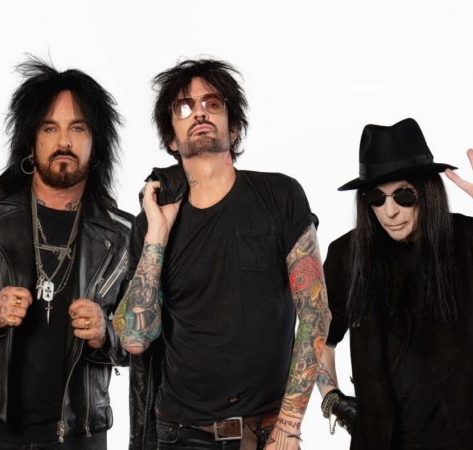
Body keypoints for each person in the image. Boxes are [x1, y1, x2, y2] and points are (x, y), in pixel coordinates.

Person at [0, 58, 133, 449]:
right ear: (30, 140)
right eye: (49, 128)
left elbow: (147, 337)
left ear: (96, 142)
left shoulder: (122, 234)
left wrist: (107, 332)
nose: (64, 141)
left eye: (77, 128)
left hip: (79, 436)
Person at [114, 58, 331, 450]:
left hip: (266, 432)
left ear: (234, 128)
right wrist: (157, 235)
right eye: (184, 106)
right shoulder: (151, 222)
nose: (199, 112)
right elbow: (134, 338)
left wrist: (289, 425)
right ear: (171, 138)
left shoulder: (280, 196)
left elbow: (315, 313)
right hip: (182, 434)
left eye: (212, 103)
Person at [317, 118, 473, 449]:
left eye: (403, 195)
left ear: (427, 191)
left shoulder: (471, 242)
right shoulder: (347, 256)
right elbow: (318, 338)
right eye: (376, 197)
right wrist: (333, 400)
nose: (389, 211)